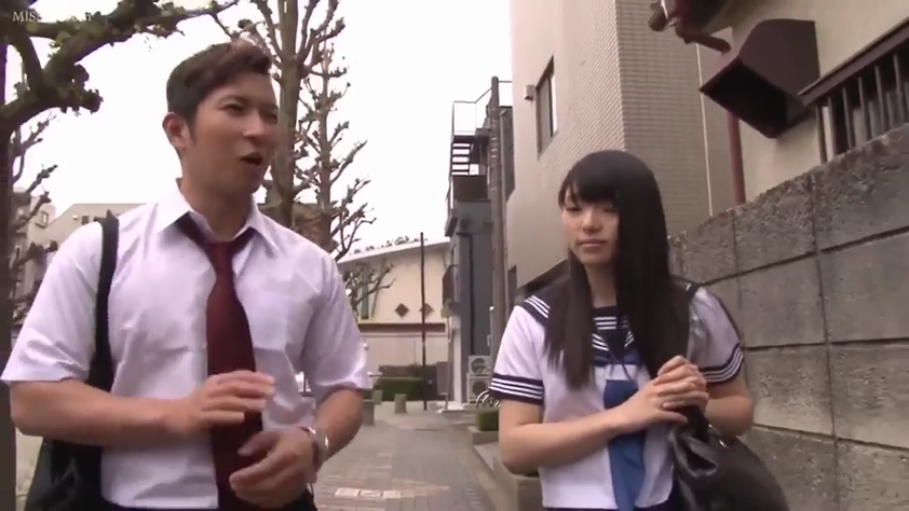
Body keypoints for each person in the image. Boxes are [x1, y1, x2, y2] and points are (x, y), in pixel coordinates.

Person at [2, 42, 369, 511]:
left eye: (269, 115)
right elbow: (32, 399)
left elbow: (344, 387)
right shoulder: (98, 253)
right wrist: (174, 415)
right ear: (178, 130)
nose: (258, 130)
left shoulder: (310, 266)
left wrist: (315, 441)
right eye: (235, 109)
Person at [489, 150, 754, 511]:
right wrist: (621, 418)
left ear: (642, 216)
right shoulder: (534, 320)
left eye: (609, 210)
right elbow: (514, 448)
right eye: (574, 209)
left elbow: (739, 411)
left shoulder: (694, 309)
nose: (588, 224)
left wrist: (695, 405)